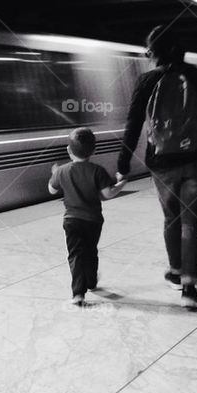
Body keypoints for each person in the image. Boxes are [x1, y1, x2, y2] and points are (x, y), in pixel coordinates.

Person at [116, 25, 197, 307]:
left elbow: (133, 125)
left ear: (153, 52)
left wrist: (123, 164)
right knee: (192, 222)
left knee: (171, 218)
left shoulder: (147, 80)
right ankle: (190, 290)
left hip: (162, 162)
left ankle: (176, 272)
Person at [49, 127, 127, 305]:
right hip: (93, 221)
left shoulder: (62, 171)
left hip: (71, 220)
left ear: (68, 150)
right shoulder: (97, 170)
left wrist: (55, 174)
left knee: (76, 254)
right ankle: (91, 282)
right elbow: (108, 194)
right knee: (91, 251)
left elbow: (51, 190)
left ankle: (78, 293)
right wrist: (121, 183)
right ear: (94, 150)